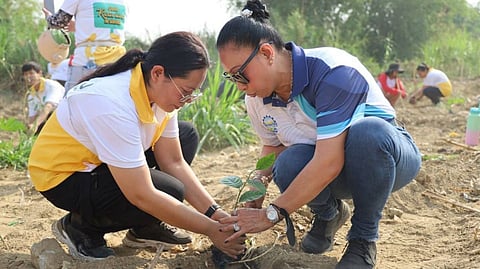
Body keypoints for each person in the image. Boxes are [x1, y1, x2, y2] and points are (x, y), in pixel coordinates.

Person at [215, 1, 422, 269]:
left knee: (368, 132)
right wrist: (253, 199)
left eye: (240, 75)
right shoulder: (257, 97)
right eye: (232, 78)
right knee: (287, 162)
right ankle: (329, 215)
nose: (241, 86)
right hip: (335, 169)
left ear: (267, 53)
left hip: (386, 159)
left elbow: (329, 161)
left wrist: (272, 213)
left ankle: (363, 239)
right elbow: (272, 148)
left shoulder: (334, 71)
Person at [28, 32, 245, 261]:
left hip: (99, 163)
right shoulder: (110, 103)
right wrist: (211, 230)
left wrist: (215, 214)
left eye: (192, 94)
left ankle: (144, 227)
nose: (186, 100)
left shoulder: (161, 94)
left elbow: (173, 161)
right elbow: (141, 194)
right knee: (170, 191)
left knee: (186, 135)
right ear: (158, 73)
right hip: (64, 177)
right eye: (185, 92)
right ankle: (82, 228)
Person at [42, 0, 127, 92]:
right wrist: (79, 26)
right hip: (118, 61)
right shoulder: (122, 2)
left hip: (88, 60)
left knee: (71, 101)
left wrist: (48, 17)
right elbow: (105, 28)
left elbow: (57, 22)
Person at [22, 61, 65, 135]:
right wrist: (30, 127)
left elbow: (48, 107)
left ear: (39, 74)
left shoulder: (52, 86)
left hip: (62, 117)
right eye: (26, 74)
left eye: (31, 73)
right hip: (48, 119)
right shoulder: (30, 95)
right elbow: (32, 117)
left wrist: (35, 125)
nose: (29, 77)